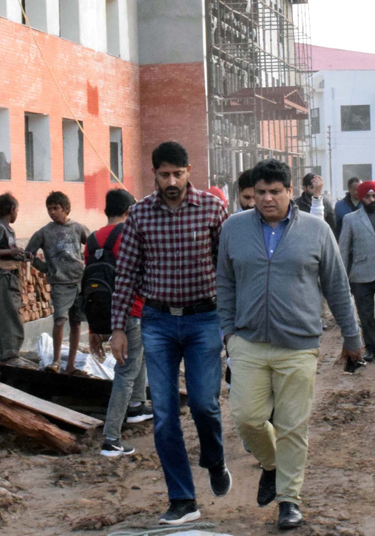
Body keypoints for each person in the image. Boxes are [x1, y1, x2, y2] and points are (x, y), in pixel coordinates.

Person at [218, 158, 362, 530]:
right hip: (247, 342)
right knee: (246, 418)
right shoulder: (234, 228)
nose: (267, 199)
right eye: (260, 192)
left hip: (298, 344)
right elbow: (225, 283)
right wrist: (228, 333)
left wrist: (352, 337)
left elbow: (337, 287)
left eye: (275, 191)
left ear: (289, 192)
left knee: (292, 426)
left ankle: (289, 500)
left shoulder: (317, 230)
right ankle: (272, 465)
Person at [111, 141, 230, 527]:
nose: (172, 181)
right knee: (164, 414)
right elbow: (126, 273)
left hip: (204, 320)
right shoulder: (140, 214)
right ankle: (182, 499)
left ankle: (214, 459)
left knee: (204, 404)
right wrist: (118, 328)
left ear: (189, 171)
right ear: (155, 175)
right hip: (158, 322)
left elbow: (228, 269)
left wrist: (232, 324)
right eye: (165, 175)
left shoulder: (212, 209)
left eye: (178, 174)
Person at [84, 189, 152, 458]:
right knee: (125, 372)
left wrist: (93, 328)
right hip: (131, 311)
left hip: (102, 312)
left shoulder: (92, 240)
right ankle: (111, 439)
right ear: (129, 210)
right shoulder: (130, 235)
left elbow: (89, 285)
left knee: (137, 356)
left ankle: (136, 406)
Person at [26, 191, 89, 374]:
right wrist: (46, 268)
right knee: (60, 320)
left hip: (79, 281)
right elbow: (28, 254)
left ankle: (70, 365)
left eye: (56, 208)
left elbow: (93, 245)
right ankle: (56, 361)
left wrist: (88, 265)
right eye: (49, 209)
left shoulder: (78, 228)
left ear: (66, 209)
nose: (52, 212)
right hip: (60, 284)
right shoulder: (44, 232)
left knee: (76, 323)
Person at [0, 193, 31, 367]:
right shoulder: (0, 228)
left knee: (9, 314)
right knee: (10, 316)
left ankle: (6, 354)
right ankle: (10, 354)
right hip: (4, 276)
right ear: (12, 209)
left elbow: (9, 251)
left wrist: (20, 255)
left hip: (11, 274)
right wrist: (10, 252)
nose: (17, 213)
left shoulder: (8, 229)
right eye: (17, 210)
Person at [338, 180, 375, 362]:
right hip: (361, 275)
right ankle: (371, 348)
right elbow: (343, 249)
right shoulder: (351, 219)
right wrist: (341, 277)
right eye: (368, 197)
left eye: (374, 196)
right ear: (361, 198)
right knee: (366, 315)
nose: (372, 200)